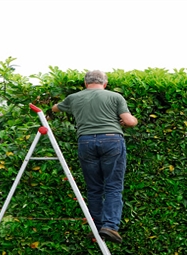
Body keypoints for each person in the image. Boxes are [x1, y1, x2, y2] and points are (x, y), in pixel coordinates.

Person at [51, 70, 138, 243]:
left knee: (94, 188)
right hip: (112, 140)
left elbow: (55, 109)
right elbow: (129, 121)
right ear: (105, 84)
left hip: (85, 142)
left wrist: (54, 108)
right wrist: (129, 121)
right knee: (113, 186)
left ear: (85, 83)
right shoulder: (115, 97)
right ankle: (110, 227)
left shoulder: (73, 98)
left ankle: (96, 228)